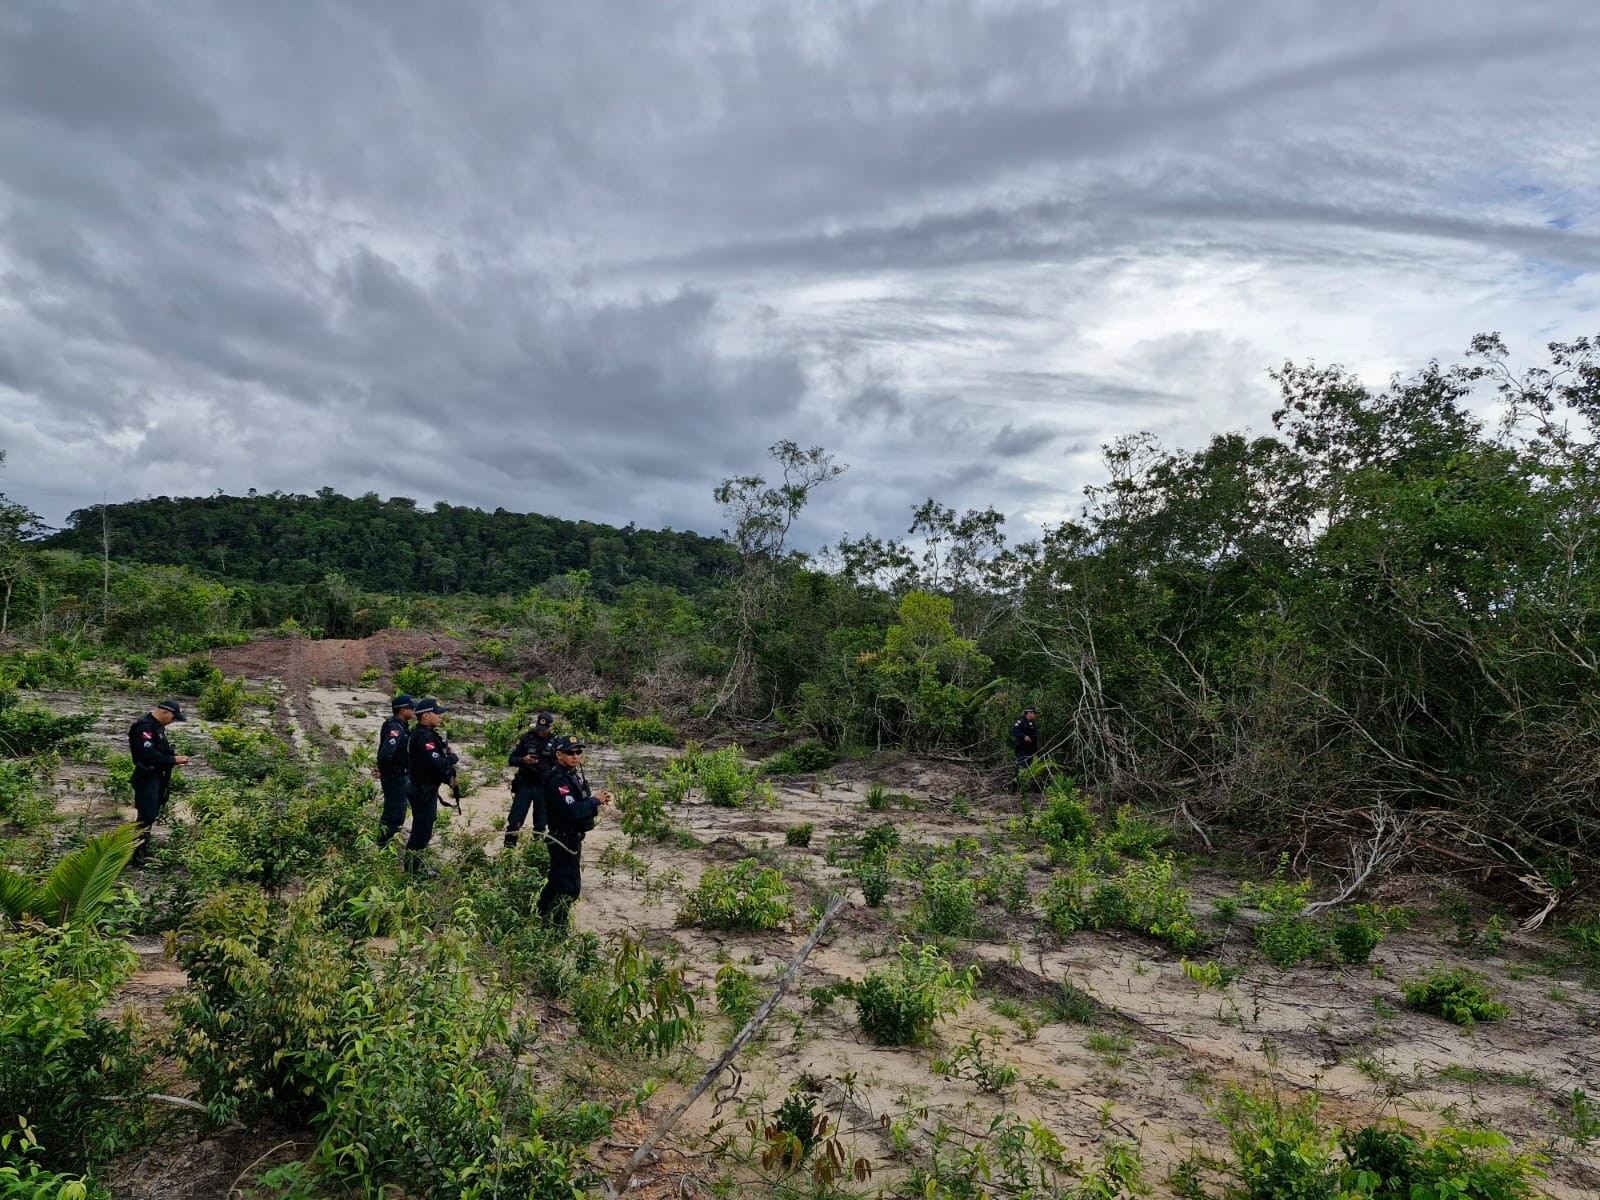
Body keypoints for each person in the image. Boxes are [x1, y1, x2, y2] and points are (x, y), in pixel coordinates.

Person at [537, 734, 612, 926]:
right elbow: (573, 811)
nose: (576, 756)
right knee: (568, 888)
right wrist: (594, 800)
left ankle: (542, 919)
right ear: (559, 755)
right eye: (571, 753)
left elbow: (579, 804)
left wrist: (596, 800)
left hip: (571, 838)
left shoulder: (571, 775)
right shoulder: (558, 780)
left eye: (579, 752)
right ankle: (558, 928)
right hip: (563, 840)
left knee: (556, 883)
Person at [128, 700, 191, 864]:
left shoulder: (157, 727)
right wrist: (173, 760)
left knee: (151, 814)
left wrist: (172, 757)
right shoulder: (144, 727)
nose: (173, 721)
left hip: (157, 776)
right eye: (173, 717)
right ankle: (137, 854)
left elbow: (160, 751)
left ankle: (143, 849)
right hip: (146, 777)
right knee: (146, 815)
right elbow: (147, 755)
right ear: (164, 712)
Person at [404, 696, 458, 873]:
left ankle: (415, 867)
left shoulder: (426, 734)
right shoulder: (423, 737)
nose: (440, 716)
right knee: (421, 830)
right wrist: (452, 758)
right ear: (426, 715)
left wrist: (448, 778)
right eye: (437, 713)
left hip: (424, 788)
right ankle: (413, 870)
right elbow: (437, 764)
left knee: (424, 827)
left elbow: (431, 766)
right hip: (422, 790)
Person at [504, 711, 557, 848]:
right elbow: (511, 759)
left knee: (541, 823)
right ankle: (509, 849)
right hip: (525, 785)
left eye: (544, 729)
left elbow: (560, 765)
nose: (541, 731)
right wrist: (523, 760)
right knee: (515, 820)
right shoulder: (526, 738)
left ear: (551, 727)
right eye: (539, 728)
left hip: (544, 787)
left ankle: (535, 850)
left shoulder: (556, 742)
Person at [374, 694, 414, 846]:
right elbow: (386, 753)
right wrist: (384, 771)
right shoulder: (395, 728)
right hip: (395, 777)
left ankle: (388, 840)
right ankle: (384, 844)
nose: (414, 711)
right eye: (411, 708)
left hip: (398, 775)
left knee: (398, 809)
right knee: (394, 811)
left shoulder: (400, 726)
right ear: (403, 710)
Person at [1009, 705, 1039, 791]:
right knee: (1020, 767)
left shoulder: (1032, 723)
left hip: (1030, 749)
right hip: (1022, 749)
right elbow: (1014, 730)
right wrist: (1024, 736)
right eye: (1033, 713)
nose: (1034, 715)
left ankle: (1024, 788)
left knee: (1027, 768)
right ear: (1029, 713)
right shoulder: (1021, 721)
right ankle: (1014, 788)